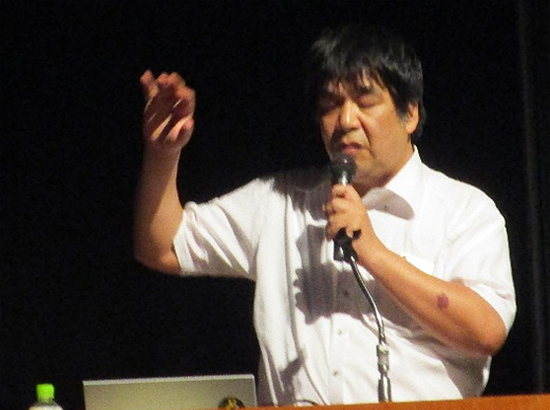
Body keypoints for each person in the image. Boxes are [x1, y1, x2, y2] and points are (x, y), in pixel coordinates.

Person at [133, 24, 516, 405]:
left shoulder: (463, 210)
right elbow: (162, 246)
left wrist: (375, 254)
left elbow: (486, 331)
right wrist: (164, 153)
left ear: (410, 114)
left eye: (365, 101)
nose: (345, 120)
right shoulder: (280, 201)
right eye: (331, 104)